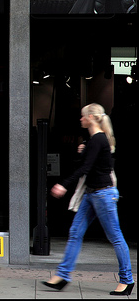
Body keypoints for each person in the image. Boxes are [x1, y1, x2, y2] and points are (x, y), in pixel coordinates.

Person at [43, 103, 134, 296]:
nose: (81, 119)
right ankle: (63, 275)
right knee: (75, 232)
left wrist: (63, 185)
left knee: (115, 237)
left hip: (103, 195)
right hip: (92, 194)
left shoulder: (98, 139)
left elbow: (85, 168)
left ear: (91, 118)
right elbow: (89, 165)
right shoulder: (95, 140)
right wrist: (83, 151)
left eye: (83, 116)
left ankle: (127, 280)